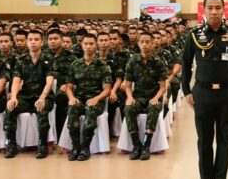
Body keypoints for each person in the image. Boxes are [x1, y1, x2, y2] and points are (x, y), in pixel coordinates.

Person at [182, 0, 228, 179]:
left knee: (224, 139)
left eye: (218, 8)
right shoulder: (194, 35)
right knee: (204, 139)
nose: (214, 12)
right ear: (204, 10)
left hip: (227, 93)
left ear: (223, 10)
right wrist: (186, 90)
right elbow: (186, 64)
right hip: (202, 92)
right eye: (210, 8)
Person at [4, 29, 55, 159]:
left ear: (42, 42)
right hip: (26, 96)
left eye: (36, 39)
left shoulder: (48, 59)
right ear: (27, 42)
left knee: (42, 110)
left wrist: (42, 97)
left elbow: (49, 81)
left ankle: (42, 145)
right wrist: (13, 97)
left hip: (43, 96)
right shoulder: (21, 59)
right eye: (30, 39)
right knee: (11, 108)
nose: (33, 42)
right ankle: (11, 144)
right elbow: (16, 80)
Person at [64, 33, 112, 162]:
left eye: (91, 44)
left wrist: (97, 98)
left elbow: (107, 89)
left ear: (96, 46)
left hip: (96, 100)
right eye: (86, 44)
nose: (88, 46)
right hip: (79, 99)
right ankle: (75, 147)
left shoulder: (103, 65)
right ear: (81, 45)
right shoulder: (75, 64)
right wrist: (71, 97)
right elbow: (69, 86)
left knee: (90, 109)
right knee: (72, 108)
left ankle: (85, 147)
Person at [122, 32, 169, 160]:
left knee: (153, 108)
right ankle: (136, 145)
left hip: (154, 96)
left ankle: (146, 145)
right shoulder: (133, 61)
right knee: (128, 108)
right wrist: (130, 97)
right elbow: (128, 85)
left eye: (147, 42)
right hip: (138, 97)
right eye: (142, 42)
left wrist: (156, 98)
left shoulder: (158, 62)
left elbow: (163, 86)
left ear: (152, 43)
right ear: (138, 44)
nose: (144, 44)